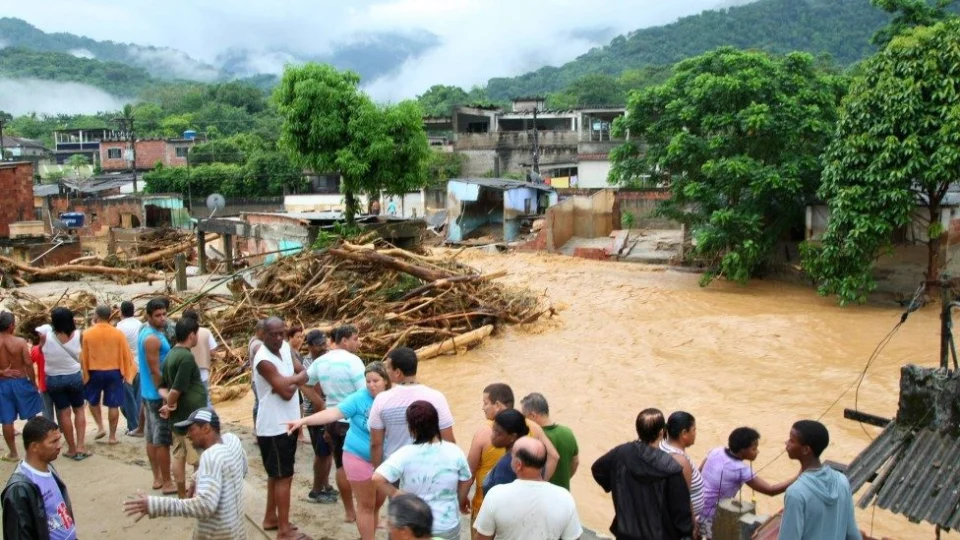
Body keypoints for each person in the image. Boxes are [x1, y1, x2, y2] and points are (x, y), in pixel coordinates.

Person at [284, 361, 392, 540]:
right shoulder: (359, 398)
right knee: (366, 505)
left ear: (386, 381)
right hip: (358, 455)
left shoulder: (393, 398)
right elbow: (333, 413)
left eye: (376, 381)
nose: (371, 385)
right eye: (368, 381)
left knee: (377, 503)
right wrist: (303, 421)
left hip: (384, 460)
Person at [123, 408, 248, 540]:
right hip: (237, 532)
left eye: (191, 429)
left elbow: (204, 506)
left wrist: (156, 505)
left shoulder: (210, 456)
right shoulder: (232, 442)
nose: (187, 435)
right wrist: (198, 477)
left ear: (206, 428)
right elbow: (243, 467)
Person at [372, 400, 471, 540]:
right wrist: (461, 503)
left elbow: (377, 478)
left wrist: (397, 494)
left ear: (412, 429)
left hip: (415, 526)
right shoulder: (454, 451)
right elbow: (466, 481)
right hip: (447, 524)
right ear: (437, 423)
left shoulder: (404, 453)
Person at [591, 408, 694, 540]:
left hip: (626, 532)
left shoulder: (621, 453)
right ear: (662, 432)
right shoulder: (671, 467)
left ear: (638, 430)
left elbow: (598, 470)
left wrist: (617, 486)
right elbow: (681, 513)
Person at [467, 384, 560, 523]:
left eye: (485, 403)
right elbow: (554, 456)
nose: (483, 407)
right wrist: (538, 486)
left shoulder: (483, 433)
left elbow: (470, 472)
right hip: (525, 508)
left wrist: (462, 498)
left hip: (484, 508)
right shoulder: (532, 426)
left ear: (497, 405)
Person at [253, 316, 308, 539]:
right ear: (262, 335)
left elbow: (301, 372)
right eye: (272, 334)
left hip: (289, 421)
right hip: (273, 426)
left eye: (280, 333)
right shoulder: (263, 359)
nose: (277, 338)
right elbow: (287, 392)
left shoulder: (285, 347)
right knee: (283, 476)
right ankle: (283, 530)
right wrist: (293, 381)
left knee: (277, 475)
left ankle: (271, 517)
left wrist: (289, 381)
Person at [305, 324, 365, 523]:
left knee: (341, 466)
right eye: (356, 339)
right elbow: (365, 393)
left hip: (332, 420)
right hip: (352, 421)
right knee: (362, 465)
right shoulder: (354, 362)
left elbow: (304, 383)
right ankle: (364, 508)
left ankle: (349, 512)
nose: (359, 343)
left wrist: (320, 402)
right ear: (345, 340)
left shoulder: (322, 361)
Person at [474, 437, 583, 540]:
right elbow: (573, 537)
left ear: (518, 465)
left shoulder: (496, 495)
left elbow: (483, 537)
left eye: (511, 455)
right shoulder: (564, 497)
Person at [699, 427, 797, 539]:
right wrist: (798, 477)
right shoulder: (740, 469)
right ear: (742, 451)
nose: (757, 452)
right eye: (754, 449)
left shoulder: (716, 450)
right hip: (712, 515)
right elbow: (771, 490)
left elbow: (699, 472)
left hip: (695, 506)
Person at [369, 347, 456, 470]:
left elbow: (376, 443)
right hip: (429, 468)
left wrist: (377, 471)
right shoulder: (436, 397)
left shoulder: (382, 399)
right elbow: (449, 440)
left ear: (397, 372)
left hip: (395, 468)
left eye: (388, 367)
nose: (386, 371)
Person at [780, 420, 861, 540]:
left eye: (792, 441)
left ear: (806, 450)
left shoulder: (796, 493)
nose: (786, 443)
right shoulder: (842, 481)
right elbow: (852, 533)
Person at [1, 416, 76, 540]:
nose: (59, 446)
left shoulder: (49, 469)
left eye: (59, 439)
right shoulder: (19, 489)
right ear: (34, 446)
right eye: (53, 441)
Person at [159, 317, 209, 499]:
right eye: (196, 334)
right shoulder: (186, 357)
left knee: (178, 454)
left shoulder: (171, 354)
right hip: (192, 415)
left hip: (178, 417)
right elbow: (177, 388)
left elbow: (162, 387)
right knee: (197, 457)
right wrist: (170, 404)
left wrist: (168, 403)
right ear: (191, 335)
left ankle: (182, 494)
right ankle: (193, 494)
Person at [81, 305, 136, 446]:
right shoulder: (117, 333)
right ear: (109, 316)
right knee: (113, 404)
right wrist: (126, 372)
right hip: (114, 372)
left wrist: (84, 372)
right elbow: (126, 353)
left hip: (94, 371)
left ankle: (100, 426)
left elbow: (83, 356)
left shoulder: (87, 333)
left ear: (96, 316)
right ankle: (112, 436)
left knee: (92, 401)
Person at [41, 308, 88, 462]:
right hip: (74, 376)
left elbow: (40, 350)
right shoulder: (79, 334)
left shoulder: (45, 336)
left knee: (64, 412)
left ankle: (72, 448)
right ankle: (81, 446)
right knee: (79, 410)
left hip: (54, 378)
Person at [139, 298, 175, 494]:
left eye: (164, 314)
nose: (162, 318)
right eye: (157, 316)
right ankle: (167, 481)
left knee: (151, 437)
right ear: (149, 316)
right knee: (162, 440)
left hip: (147, 392)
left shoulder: (146, 332)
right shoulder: (152, 338)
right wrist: (165, 395)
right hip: (155, 394)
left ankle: (157, 478)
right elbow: (155, 370)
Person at [298, 329, 336, 504]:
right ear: (310, 346)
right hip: (315, 413)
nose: (323, 348)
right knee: (321, 453)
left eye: (324, 344)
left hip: (327, 411)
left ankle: (326, 484)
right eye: (319, 345)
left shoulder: (326, 360)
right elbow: (311, 390)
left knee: (327, 452)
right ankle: (315, 490)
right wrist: (321, 408)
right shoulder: (307, 364)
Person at [0, 312, 41, 462]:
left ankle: (13, 453)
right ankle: (34, 450)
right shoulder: (20, 342)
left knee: (7, 420)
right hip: (21, 380)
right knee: (31, 416)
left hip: (2, 383)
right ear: (11, 326)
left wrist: (2, 371)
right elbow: (28, 364)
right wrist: (33, 382)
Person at [520, 392, 579, 491]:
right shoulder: (568, 433)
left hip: (542, 497)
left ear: (533, 416)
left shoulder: (534, 438)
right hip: (564, 494)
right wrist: (563, 480)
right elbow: (576, 462)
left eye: (524, 417)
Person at [660, 411, 705, 521]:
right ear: (684, 433)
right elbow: (683, 498)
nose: (695, 434)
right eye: (694, 430)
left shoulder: (662, 445)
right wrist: (693, 524)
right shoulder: (680, 461)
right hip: (682, 521)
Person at [482, 409, 529, 495]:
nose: (492, 436)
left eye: (497, 432)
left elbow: (501, 502)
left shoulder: (506, 467)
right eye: (493, 430)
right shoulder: (529, 452)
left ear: (512, 437)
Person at [116, 301, 144, 437]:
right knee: (138, 397)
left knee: (127, 398)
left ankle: (134, 425)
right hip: (141, 365)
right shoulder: (140, 325)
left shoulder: (120, 327)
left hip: (127, 366)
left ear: (121, 312)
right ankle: (140, 425)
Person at [182, 309, 218, 407]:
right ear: (197, 320)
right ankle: (210, 419)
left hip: (186, 370)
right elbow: (213, 351)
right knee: (205, 398)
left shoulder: (181, 333)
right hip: (203, 370)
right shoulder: (206, 332)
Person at [31, 326, 55, 421]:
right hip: (57, 382)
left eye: (40, 333)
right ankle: (62, 430)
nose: (38, 335)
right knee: (61, 409)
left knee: (46, 411)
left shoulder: (35, 350)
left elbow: (28, 363)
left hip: (43, 384)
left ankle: (50, 430)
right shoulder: (58, 348)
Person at [249, 319, 265, 424]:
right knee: (260, 404)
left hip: (256, 379)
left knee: (259, 403)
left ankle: (257, 428)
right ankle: (257, 428)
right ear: (259, 331)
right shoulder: (256, 344)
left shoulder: (254, 340)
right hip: (258, 380)